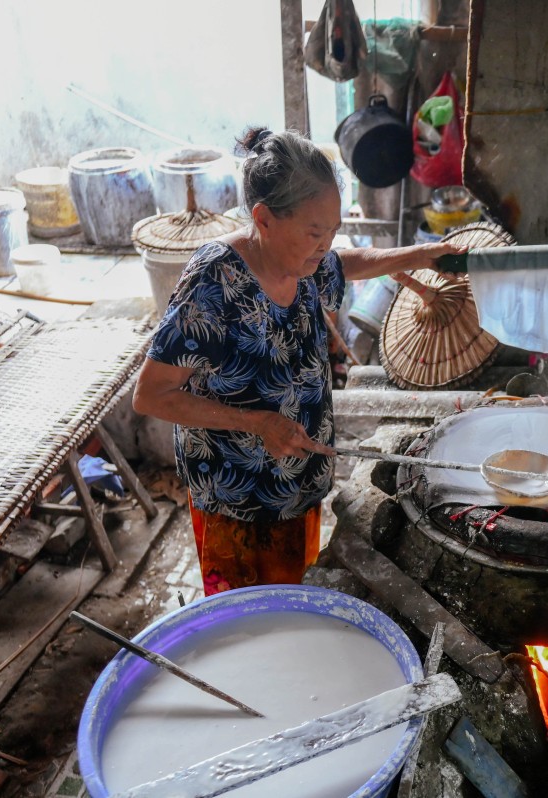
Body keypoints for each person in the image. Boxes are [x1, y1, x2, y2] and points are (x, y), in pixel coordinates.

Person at [132, 127, 463, 596]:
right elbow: (150, 395)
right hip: (238, 503)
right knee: (247, 627)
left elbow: (348, 261)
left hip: (299, 486)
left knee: (296, 598)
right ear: (264, 219)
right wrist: (256, 422)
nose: (324, 244)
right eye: (314, 232)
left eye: (331, 230)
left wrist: (423, 254)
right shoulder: (214, 283)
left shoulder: (303, 261)